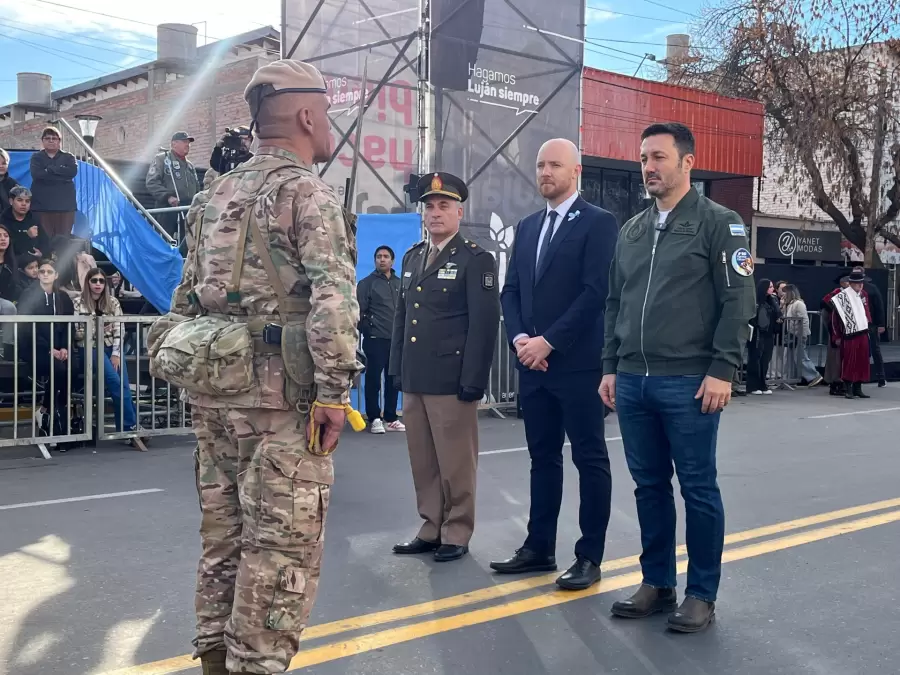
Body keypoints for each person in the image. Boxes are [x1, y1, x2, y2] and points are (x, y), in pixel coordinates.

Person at [163, 60, 363, 675]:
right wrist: (334, 392)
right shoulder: (308, 193)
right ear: (305, 115)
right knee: (280, 549)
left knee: (222, 539)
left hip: (215, 392)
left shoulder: (212, 197)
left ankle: (216, 661)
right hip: (280, 403)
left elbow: (186, 300)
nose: (328, 125)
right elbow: (333, 297)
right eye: (325, 113)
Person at [601, 122, 754, 633]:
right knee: (648, 486)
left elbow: (738, 300)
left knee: (698, 488)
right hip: (633, 380)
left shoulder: (720, 223)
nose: (649, 166)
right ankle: (657, 582)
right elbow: (615, 303)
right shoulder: (632, 230)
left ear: (687, 162)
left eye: (659, 157)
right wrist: (610, 367)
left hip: (689, 380)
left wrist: (722, 369)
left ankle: (702, 593)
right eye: (644, 157)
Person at [491, 138, 618, 591]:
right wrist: (521, 340)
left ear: (576, 171)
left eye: (555, 165)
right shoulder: (527, 227)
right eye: (541, 165)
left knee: (589, 459)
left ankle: (589, 556)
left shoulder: (598, 223)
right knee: (542, 459)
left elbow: (595, 293)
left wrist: (549, 342)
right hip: (534, 367)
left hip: (577, 366)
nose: (545, 172)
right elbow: (511, 290)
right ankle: (539, 547)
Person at [389, 171, 500, 563]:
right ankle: (431, 525)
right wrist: (396, 369)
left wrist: (474, 379)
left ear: (459, 212)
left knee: (456, 462)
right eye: (430, 207)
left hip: (451, 380)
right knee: (423, 461)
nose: (435, 213)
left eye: (444, 206)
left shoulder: (475, 259)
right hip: (416, 377)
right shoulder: (412, 256)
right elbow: (403, 317)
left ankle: (457, 530)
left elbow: (484, 325)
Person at [73, 268, 139, 434]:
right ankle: (131, 427)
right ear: (88, 282)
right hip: (89, 347)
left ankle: (127, 428)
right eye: (94, 280)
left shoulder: (113, 302)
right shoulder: (78, 302)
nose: (98, 284)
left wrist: (116, 353)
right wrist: (98, 329)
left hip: (111, 346)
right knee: (115, 382)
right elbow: (77, 332)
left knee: (124, 386)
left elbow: (119, 328)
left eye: (101, 281)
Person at [17, 259, 75, 442]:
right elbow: (27, 328)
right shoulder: (28, 295)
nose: (45, 274)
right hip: (34, 347)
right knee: (58, 368)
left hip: (58, 347)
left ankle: (52, 411)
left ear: (56, 275)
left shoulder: (63, 297)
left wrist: (64, 347)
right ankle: (50, 411)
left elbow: (69, 326)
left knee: (74, 367)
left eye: (49, 272)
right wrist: (50, 349)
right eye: (42, 271)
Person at [357, 245, 404, 433]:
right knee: (373, 380)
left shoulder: (400, 284)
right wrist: (368, 329)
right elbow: (359, 312)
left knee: (393, 380)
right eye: (378, 256)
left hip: (396, 340)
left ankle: (391, 418)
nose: (382, 259)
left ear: (392, 261)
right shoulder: (366, 284)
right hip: (375, 339)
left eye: (385, 256)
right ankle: (374, 418)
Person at [825, 270, 872, 399]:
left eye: (861, 283)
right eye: (858, 283)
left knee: (862, 361)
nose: (861, 285)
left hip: (863, 331)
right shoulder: (841, 297)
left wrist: (868, 324)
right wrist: (836, 336)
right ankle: (848, 388)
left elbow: (866, 312)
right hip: (849, 334)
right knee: (850, 362)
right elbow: (834, 319)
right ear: (851, 283)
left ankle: (858, 388)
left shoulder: (863, 295)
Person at [146, 132, 201, 240]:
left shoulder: (190, 166)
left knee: (187, 241)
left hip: (188, 210)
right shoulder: (162, 159)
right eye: (184, 141)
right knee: (164, 240)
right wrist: (167, 196)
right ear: (174, 144)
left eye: (188, 142)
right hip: (167, 208)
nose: (187, 145)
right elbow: (152, 182)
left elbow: (197, 188)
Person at [29, 126, 78, 238]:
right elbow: (37, 175)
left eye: (54, 138)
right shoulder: (36, 157)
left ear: (59, 141)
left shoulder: (68, 157)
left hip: (65, 207)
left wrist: (49, 169)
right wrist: (61, 172)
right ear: (42, 141)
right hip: (41, 206)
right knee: (44, 240)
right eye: (47, 138)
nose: (51, 141)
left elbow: (72, 172)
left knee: (63, 242)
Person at [781, 284, 823, 387]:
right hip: (791, 335)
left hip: (798, 335)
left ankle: (814, 376)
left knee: (800, 357)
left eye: (785, 292)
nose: (783, 295)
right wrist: (782, 306)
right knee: (790, 357)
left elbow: (804, 320)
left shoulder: (799, 304)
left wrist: (802, 335)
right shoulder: (788, 304)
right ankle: (791, 379)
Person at [852, 266, 886, 388]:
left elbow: (879, 306)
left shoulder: (871, 288)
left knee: (875, 349)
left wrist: (881, 324)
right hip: (856, 323)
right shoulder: (850, 290)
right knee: (858, 350)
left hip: (870, 324)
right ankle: (858, 378)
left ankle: (881, 377)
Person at [746, 278, 782, 395]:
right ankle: (753, 385)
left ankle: (762, 384)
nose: (773, 289)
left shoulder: (772, 300)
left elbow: (777, 314)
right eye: (770, 287)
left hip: (768, 334)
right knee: (755, 360)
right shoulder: (756, 300)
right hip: (757, 333)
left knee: (765, 360)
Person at [2, 186, 50, 258]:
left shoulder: (34, 219)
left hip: (35, 259)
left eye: (27, 201)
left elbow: (45, 241)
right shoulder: (2, 221)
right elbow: (6, 247)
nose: (24, 204)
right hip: (12, 259)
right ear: (11, 201)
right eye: (20, 200)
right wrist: (26, 236)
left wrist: (41, 253)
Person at [822, 274, 849, 396]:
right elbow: (826, 315)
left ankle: (842, 382)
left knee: (841, 359)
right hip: (836, 331)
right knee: (835, 359)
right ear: (843, 283)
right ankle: (835, 383)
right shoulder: (835, 295)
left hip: (846, 332)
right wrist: (833, 332)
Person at [0, 222, 19, 353]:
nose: (3, 239)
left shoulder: (11, 262)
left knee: (11, 306)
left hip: (5, 299)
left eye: (6, 236)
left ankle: (7, 347)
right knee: (8, 307)